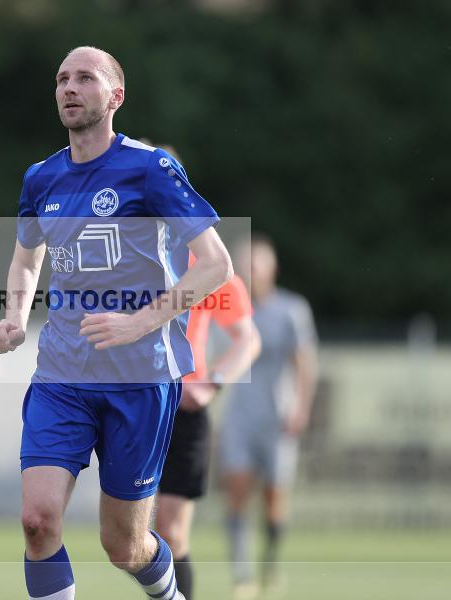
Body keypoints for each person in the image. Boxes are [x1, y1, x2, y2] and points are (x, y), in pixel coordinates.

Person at [0, 46, 233, 600]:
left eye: (85, 78)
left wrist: (139, 322)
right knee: (37, 522)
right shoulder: (40, 177)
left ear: (115, 96)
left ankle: (170, 594)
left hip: (140, 380)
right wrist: (14, 319)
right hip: (62, 377)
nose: (69, 88)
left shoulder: (150, 168)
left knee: (123, 546)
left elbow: (217, 265)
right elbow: (26, 260)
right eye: (61, 79)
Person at [151, 145, 261, 600]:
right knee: (127, 537)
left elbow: (247, 338)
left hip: (184, 408)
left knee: (171, 531)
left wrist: (211, 383)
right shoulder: (117, 259)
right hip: (133, 405)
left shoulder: (207, 265)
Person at [221, 234, 318, 599]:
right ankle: (242, 576)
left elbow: (304, 362)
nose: (249, 271)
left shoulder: (291, 310)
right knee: (237, 493)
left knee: (274, 498)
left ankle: (271, 564)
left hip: (277, 418)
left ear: (272, 268)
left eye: (255, 263)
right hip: (240, 418)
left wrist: (301, 407)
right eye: (243, 264)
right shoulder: (226, 308)